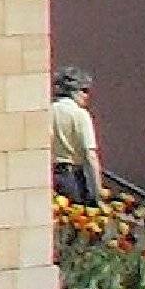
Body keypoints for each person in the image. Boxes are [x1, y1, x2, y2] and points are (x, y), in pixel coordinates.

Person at [57, 67, 105, 206]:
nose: (87, 95)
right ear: (73, 91)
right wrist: (98, 192)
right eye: (84, 90)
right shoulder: (80, 114)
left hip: (49, 176)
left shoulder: (48, 111)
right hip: (72, 178)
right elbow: (91, 156)